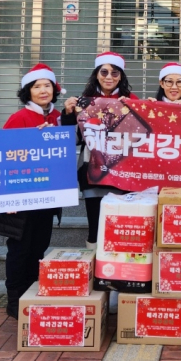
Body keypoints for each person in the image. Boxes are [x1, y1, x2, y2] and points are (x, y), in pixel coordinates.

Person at [2, 63, 64, 318]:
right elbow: (3, 156)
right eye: (36, 86)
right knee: (19, 249)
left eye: (47, 85)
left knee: (38, 247)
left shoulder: (58, 117)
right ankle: (15, 300)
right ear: (28, 91)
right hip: (21, 197)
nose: (42, 90)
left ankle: (30, 294)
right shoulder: (19, 118)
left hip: (47, 196)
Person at [61, 52, 139, 249]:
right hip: (92, 170)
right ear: (96, 74)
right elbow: (75, 140)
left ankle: (118, 270)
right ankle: (96, 274)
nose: (109, 77)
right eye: (104, 71)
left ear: (121, 76)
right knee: (95, 225)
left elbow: (143, 137)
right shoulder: (84, 102)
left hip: (124, 170)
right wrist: (69, 115)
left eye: (115, 72)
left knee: (122, 223)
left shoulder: (132, 101)